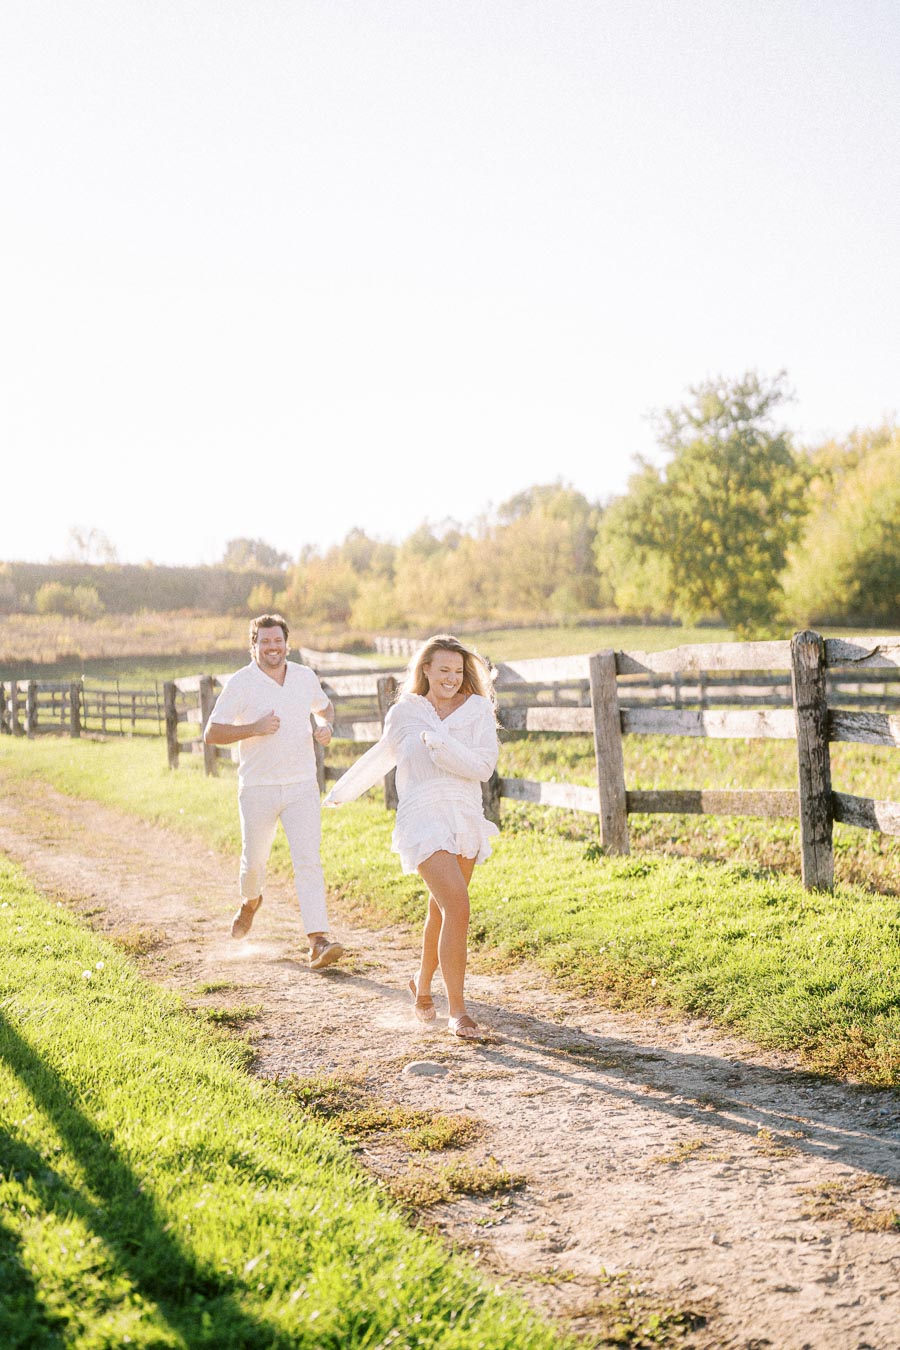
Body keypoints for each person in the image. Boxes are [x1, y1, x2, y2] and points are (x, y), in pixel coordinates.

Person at [324, 634, 499, 1040]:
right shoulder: (405, 713)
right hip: (421, 815)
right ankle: (458, 1011)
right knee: (458, 906)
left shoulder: (477, 711)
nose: (451, 678)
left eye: (458, 671)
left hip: (463, 814)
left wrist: (441, 746)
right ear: (425, 670)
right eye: (443, 670)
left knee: (440, 910)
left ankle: (421, 988)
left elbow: (483, 767)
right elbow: (381, 756)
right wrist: (342, 792)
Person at [203, 614, 344, 970]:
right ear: (254, 646)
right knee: (255, 864)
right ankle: (251, 903)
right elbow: (212, 733)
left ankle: (317, 940)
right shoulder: (241, 683)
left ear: (287, 643)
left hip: (301, 785)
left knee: (308, 860)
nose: (272, 648)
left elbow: (325, 708)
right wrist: (253, 728)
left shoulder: (303, 676)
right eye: (264, 642)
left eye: (277, 641)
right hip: (258, 788)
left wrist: (325, 726)